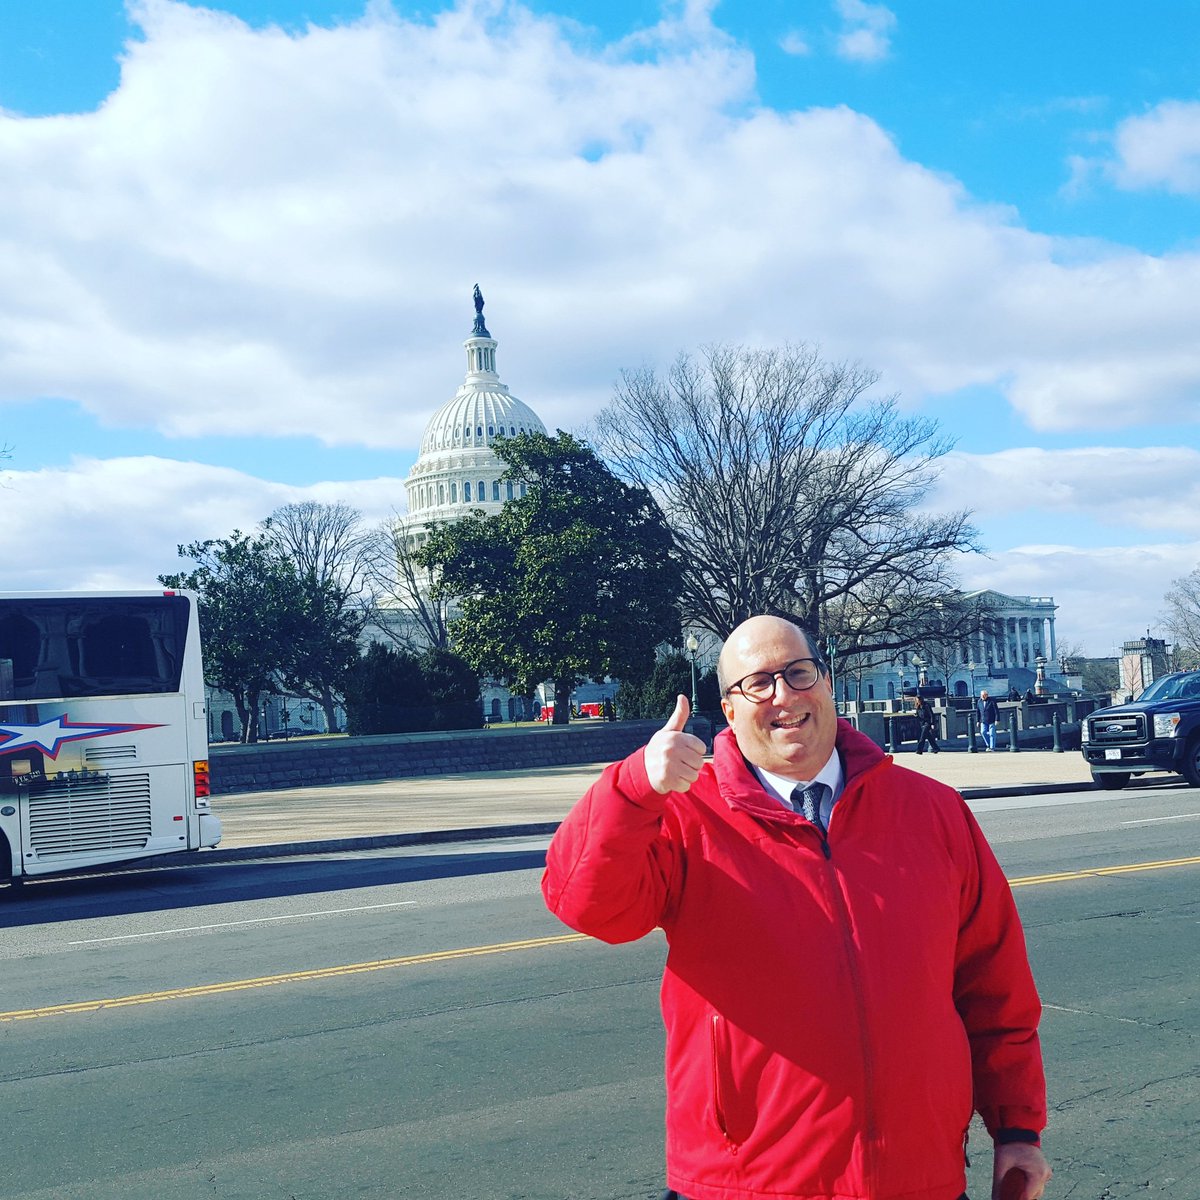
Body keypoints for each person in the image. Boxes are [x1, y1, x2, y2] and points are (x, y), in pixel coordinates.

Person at [542, 615, 1051, 1200]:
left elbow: (995, 984)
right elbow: (587, 905)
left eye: (799, 673)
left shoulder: (932, 811)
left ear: (827, 683)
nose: (784, 695)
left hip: (919, 1175)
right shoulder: (685, 816)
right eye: (757, 683)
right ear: (729, 711)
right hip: (750, 1179)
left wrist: (1017, 1128)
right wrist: (634, 789)